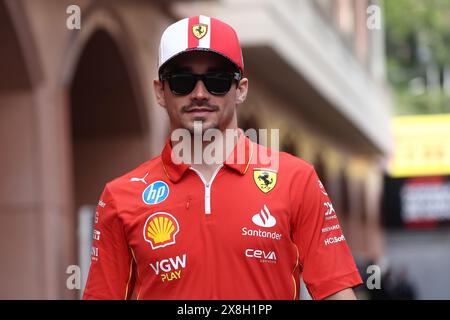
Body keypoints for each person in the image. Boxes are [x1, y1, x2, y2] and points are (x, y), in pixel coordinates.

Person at [82, 15, 362, 300]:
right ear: (160, 92)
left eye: (217, 81)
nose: (200, 93)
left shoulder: (296, 180)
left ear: (240, 90)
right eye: (182, 81)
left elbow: (336, 293)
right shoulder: (120, 197)